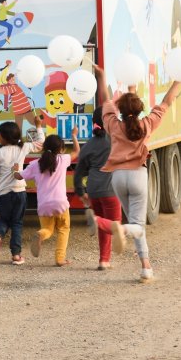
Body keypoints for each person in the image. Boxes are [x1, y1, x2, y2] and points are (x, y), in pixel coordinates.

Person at [95, 63, 181, 283]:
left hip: (117, 177)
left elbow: (104, 100)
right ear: (139, 109)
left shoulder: (114, 125)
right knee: (136, 225)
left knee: (137, 224)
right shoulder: (147, 125)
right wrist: (179, 79)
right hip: (137, 176)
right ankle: (119, 229)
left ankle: (146, 268)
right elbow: (167, 101)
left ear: (121, 110)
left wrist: (101, 77)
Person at [0, 121, 39, 265]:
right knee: (17, 223)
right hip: (19, 191)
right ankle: (16, 255)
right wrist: (39, 126)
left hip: (3, 192)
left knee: (4, 219)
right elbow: (41, 142)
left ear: (4, 137)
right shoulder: (23, 148)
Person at [74, 107, 126, 270]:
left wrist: (81, 192)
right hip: (111, 189)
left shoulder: (88, 145)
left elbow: (78, 173)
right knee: (114, 224)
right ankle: (96, 221)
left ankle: (104, 260)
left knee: (106, 226)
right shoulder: (116, 140)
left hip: (94, 190)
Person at [16, 134, 76, 266]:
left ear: (44, 147)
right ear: (61, 149)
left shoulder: (35, 165)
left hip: (44, 205)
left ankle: (40, 234)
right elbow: (77, 152)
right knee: (63, 229)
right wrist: (75, 136)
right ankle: (60, 259)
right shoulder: (63, 160)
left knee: (48, 229)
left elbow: (19, 176)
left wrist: (14, 170)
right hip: (60, 203)